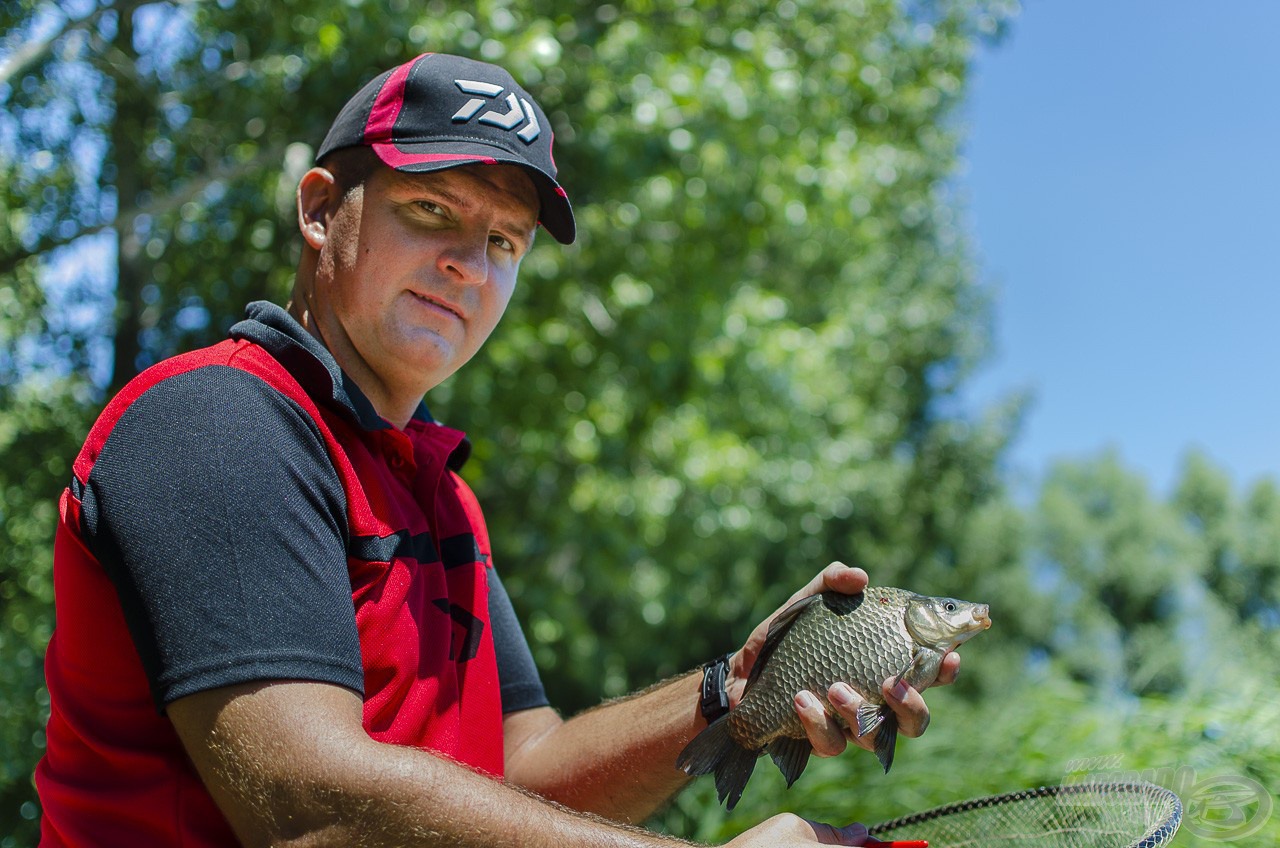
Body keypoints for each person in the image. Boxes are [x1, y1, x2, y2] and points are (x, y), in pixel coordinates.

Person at [35, 53, 961, 846]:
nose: (469, 266)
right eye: (433, 209)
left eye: (504, 241)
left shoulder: (441, 496)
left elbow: (527, 777)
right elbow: (303, 805)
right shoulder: (215, 422)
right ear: (321, 211)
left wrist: (732, 691)